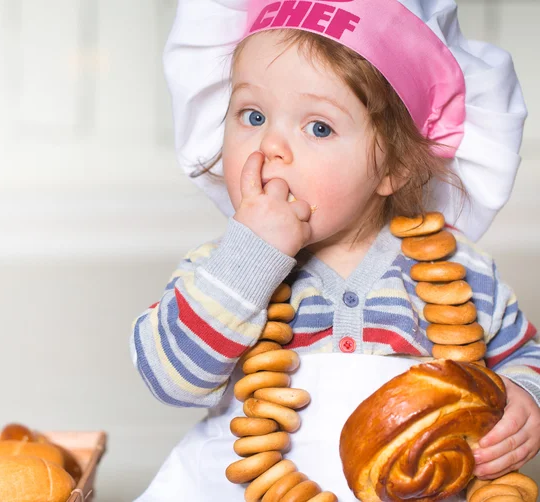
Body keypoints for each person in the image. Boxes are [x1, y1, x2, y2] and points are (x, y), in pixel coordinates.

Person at [131, 1, 540, 500]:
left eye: (319, 127)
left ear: (395, 167)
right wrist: (249, 261)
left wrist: (522, 399)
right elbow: (169, 378)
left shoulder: (459, 272)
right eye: (252, 114)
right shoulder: (220, 270)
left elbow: (522, 356)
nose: (272, 146)